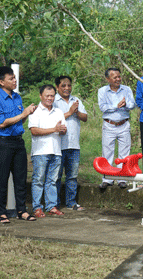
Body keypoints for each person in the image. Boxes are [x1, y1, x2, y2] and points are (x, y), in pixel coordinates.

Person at [0, 66, 37, 223]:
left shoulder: (17, 97)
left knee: (21, 177)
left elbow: (20, 120)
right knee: (2, 178)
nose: (15, 81)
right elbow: (1, 123)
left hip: (18, 142)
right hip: (3, 143)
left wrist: (26, 115)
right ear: (2, 82)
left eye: (14, 77)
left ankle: (21, 210)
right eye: (11, 79)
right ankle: (1, 213)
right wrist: (24, 113)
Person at [28, 84, 67, 218]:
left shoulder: (59, 111)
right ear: (41, 96)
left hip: (56, 151)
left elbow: (62, 130)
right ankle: (37, 207)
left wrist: (62, 130)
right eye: (47, 96)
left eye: (52, 96)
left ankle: (51, 206)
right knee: (38, 179)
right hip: (40, 151)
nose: (50, 98)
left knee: (52, 180)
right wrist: (54, 129)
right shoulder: (35, 111)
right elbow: (34, 130)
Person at [54, 75, 88, 211]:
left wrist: (76, 111)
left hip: (74, 145)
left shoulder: (76, 100)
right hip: (58, 145)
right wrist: (69, 112)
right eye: (63, 85)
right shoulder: (53, 101)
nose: (67, 88)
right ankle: (54, 204)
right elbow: (53, 119)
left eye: (69, 85)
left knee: (72, 176)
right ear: (57, 87)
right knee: (56, 176)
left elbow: (85, 117)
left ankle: (71, 202)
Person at [98, 67, 136, 189]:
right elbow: (103, 107)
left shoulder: (127, 89)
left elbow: (132, 104)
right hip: (109, 125)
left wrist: (125, 105)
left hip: (124, 124)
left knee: (124, 153)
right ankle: (107, 179)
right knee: (107, 152)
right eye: (115, 77)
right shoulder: (102, 91)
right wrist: (116, 105)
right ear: (108, 79)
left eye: (119, 76)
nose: (118, 79)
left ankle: (121, 178)